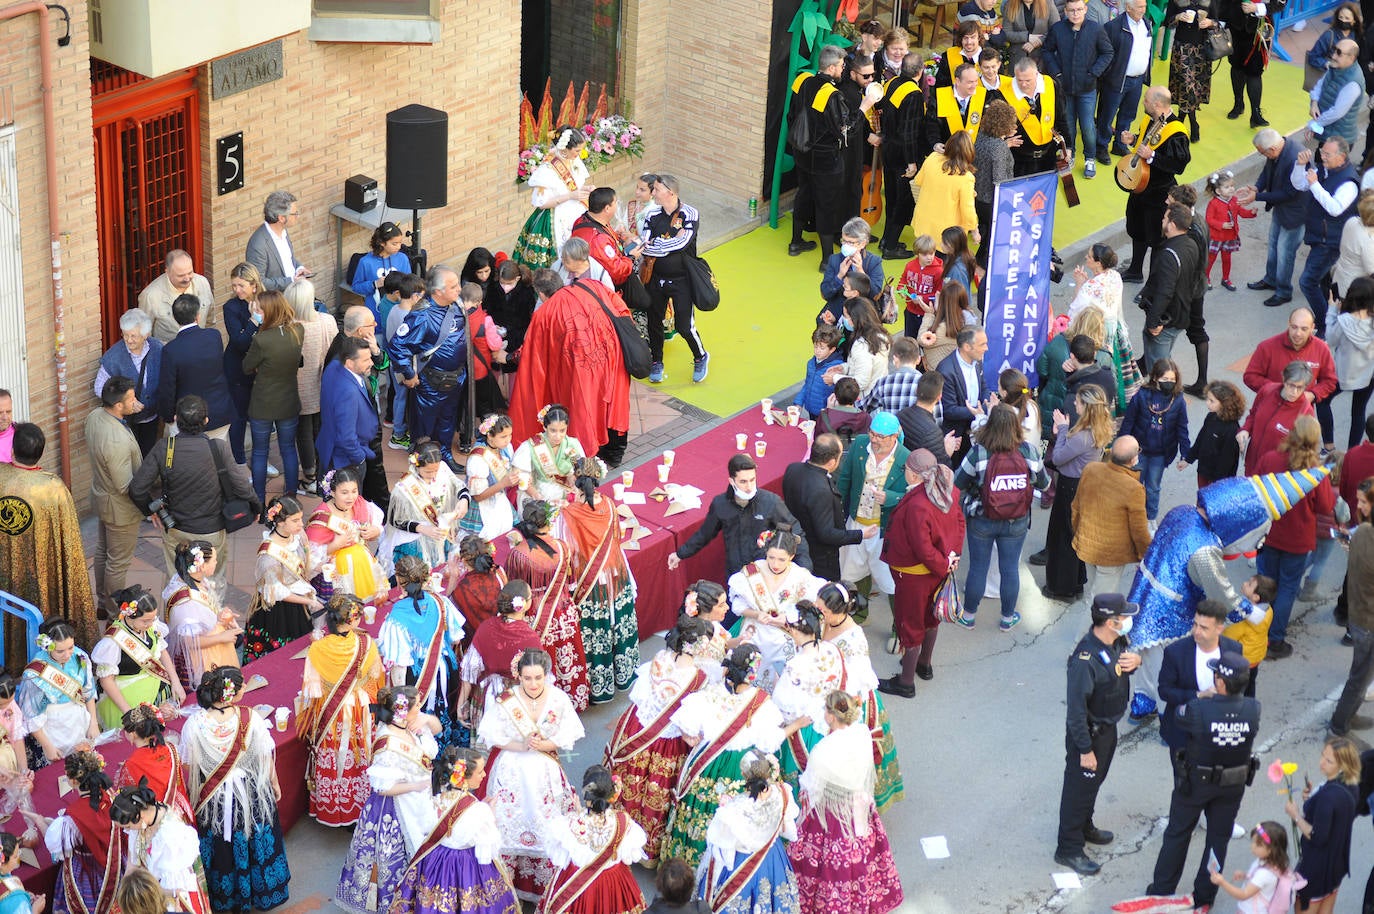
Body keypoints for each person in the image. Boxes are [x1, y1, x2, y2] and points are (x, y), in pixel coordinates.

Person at [1145, 650, 1261, 911]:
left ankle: (1163, 888)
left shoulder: (1198, 709)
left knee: (1178, 832)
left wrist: (1204, 697)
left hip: (1196, 783)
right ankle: (1205, 896)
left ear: (1220, 682)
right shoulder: (1254, 709)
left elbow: (1180, 717)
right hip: (1233, 785)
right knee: (1218, 840)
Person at [661, 644, 786, 870]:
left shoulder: (710, 693)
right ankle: (715, 871)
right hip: (738, 767)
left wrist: (694, 740)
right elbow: (769, 742)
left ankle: (684, 866)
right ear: (753, 673)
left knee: (697, 810)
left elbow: (685, 727)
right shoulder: (761, 704)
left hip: (705, 762)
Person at [603, 617, 713, 869]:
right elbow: (690, 719)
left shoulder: (660, 658)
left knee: (631, 782)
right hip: (668, 742)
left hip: (639, 730)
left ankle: (617, 835)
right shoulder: (698, 678)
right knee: (655, 791)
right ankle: (646, 849)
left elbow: (640, 696)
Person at [179, 667, 289, 914]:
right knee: (252, 839)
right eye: (241, 686)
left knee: (221, 844)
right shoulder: (251, 717)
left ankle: (226, 896)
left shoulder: (194, 723)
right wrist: (274, 783)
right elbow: (264, 756)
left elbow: (187, 763)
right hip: (251, 792)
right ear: (230, 692)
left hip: (213, 794)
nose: (243, 689)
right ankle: (257, 892)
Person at [478, 647, 584, 902]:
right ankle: (506, 887)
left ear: (546, 675)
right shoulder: (507, 699)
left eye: (538, 677)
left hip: (545, 770)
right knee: (508, 821)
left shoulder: (558, 698)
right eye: (527, 678)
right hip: (512, 769)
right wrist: (522, 745)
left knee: (545, 821)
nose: (533, 683)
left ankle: (543, 888)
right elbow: (494, 737)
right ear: (519, 676)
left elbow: (568, 734)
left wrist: (545, 745)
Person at [787, 690, 903, 913]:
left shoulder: (823, 749)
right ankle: (861, 897)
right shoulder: (861, 732)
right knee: (862, 852)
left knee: (826, 864)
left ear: (831, 716)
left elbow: (810, 788)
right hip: (858, 802)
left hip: (830, 812)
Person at [1054, 594, 1140, 876]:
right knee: (1078, 791)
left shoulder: (1115, 641)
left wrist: (1135, 662)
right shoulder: (1084, 660)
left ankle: (1084, 825)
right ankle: (1068, 848)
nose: (1128, 621)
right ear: (1110, 621)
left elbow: (1120, 667)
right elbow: (1076, 712)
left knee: (1093, 784)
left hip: (1107, 729)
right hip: (1089, 736)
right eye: (1124, 617)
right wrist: (1085, 750)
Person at [334, 685, 440, 914]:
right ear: (402, 711)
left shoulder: (409, 724)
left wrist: (426, 720)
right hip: (393, 810)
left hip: (419, 802)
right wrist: (417, 786)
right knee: (391, 862)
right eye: (417, 706)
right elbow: (382, 788)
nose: (420, 709)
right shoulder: (388, 742)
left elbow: (436, 729)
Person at [507, 271, 631, 466]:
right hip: (610, 359)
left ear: (540, 293)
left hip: (579, 374)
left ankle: (588, 455)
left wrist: (507, 357)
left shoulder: (544, 314)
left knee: (585, 410)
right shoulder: (592, 286)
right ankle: (615, 454)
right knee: (613, 404)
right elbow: (621, 309)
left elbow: (532, 351)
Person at [0, 423, 97, 659]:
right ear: (41, 452)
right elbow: (69, 544)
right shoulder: (53, 488)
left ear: (12, 451)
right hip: (40, 575)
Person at [954, 404, 1051, 630]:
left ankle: (968, 616)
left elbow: (958, 483)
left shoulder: (978, 451)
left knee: (978, 567)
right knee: (1009, 568)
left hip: (981, 518)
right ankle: (1008, 618)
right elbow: (1045, 484)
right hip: (1016, 521)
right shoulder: (1028, 451)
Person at [387, 746, 517, 914]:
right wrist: (490, 815)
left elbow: (426, 827)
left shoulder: (433, 798)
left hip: (437, 860)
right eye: (480, 772)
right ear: (464, 777)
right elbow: (488, 849)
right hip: (468, 865)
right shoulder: (478, 809)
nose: (484, 775)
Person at [880, 449, 965, 696]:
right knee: (931, 616)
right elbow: (960, 523)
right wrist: (951, 559)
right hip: (937, 570)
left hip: (913, 574)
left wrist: (940, 563)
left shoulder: (918, 503)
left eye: (905, 469)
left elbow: (921, 547)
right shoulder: (948, 489)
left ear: (914, 474)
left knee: (910, 623)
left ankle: (905, 682)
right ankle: (924, 665)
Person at [559, 457, 639, 704]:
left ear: (576, 480)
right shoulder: (610, 505)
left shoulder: (568, 513)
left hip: (589, 582)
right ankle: (624, 675)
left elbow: (566, 550)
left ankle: (598, 687)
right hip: (616, 575)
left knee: (596, 633)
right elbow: (616, 537)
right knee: (619, 624)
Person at [1252, 416, 1333, 657]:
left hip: (1269, 534)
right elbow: (1325, 506)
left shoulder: (1270, 459)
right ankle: (1274, 640)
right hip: (1297, 540)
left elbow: (1254, 487)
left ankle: (1257, 631)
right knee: (1287, 588)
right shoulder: (1315, 473)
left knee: (1266, 584)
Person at [299, 594, 381, 827]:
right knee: (360, 754)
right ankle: (361, 805)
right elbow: (375, 676)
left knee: (337, 756)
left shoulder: (318, 649)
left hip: (332, 713)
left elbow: (312, 691)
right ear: (353, 620)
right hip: (360, 709)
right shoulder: (367, 643)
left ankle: (336, 808)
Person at [505, 500, 591, 710]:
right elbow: (570, 582)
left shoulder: (518, 554)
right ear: (548, 522)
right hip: (562, 611)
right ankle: (572, 700)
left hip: (535, 612)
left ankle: (541, 707)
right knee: (567, 657)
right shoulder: (563, 546)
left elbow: (513, 588)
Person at [669, 454, 811, 580]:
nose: (749, 486)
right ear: (732, 481)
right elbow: (704, 534)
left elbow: (795, 532)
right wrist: (680, 554)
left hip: (766, 572)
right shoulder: (720, 504)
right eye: (743, 482)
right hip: (737, 573)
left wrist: (804, 569)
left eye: (752, 480)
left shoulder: (771, 502)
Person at [696, 750, 801, 914]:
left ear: (744, 775)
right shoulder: (783, 793)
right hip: (772, 855)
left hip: (741, 860)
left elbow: (724, 851)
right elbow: (789, 832)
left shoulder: (737, 807)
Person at [378, 555, 466, 749]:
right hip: (443, 669)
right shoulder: (440, 602)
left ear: (400, 582)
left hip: (416, 678)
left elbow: (398, 662)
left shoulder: (397, 615)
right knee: (442, 714)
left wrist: (399, 697)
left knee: (418, 723)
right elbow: (457, 638)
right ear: (426, 578)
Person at [387, 265, 468, 468]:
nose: (459, 289)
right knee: (425, 427)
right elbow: (397, 345)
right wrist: (408, 372)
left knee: (448, 420)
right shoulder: (422, 315)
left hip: (455, 378)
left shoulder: (456, 305)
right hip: (431, 382)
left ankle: (445, 456)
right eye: (453, 286)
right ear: (438, 291)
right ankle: (423, 463)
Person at [727, 529, 826, 692]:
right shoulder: (753, 571)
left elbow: (812, 609)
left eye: (782, 559)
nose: (775, 564)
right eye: (771, 557)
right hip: (754, 633)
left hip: (784, 638)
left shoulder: (800, 577)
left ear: (792, 557)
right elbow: (738, 605)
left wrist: (787, 618)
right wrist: (756, 614)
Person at [540, 765, 646, 914]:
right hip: (612, 883)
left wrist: (578, 814)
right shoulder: (624, 822)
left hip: (578, 889)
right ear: (611, 795)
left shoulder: (568, 826)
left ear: (586, 795)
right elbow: (631, 857)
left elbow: (559, 858)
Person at [84, 378, 148, 620]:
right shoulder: (117, 440)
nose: (135, 402)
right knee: (118, 563)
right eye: (131, 399)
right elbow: (125, 485)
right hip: (119, 509)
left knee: (103, 550)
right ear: (118, 405)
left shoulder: (95, 416)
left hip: (101, 496)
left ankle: (102, 602)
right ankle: (114, 614)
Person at [1043, 386, 1115, 600]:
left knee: (1063, 538)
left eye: (1078, 402)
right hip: (1084, 485)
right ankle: (1075, 583)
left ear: (1087, 407)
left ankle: (1061, 588)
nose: (1074, 404)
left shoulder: (1082, 436)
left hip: (1069, 488)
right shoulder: (1098, 429)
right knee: (1074, 535)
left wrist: (1063, 429)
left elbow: (1057, 459)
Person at [787, 46, 854, 264]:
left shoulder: (802, 80)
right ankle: (827, 259)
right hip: (825, 160)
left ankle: (796, 241)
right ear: (832, 67)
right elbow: (845, 131)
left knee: (804, 193)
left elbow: (791, 115)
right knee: (826, 205)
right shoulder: (832, 95)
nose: (843, 70)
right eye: (842, 66)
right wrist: (864, 107)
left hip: (802, 152)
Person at [640, 175, 710, 383]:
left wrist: (658, 244)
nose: (653, 193)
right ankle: (657, 361)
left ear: (671, 192)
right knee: (654, 321)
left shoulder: (690, 214)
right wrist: (663, 244)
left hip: (682, 280)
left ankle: (700, 356)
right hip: (656, 278)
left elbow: (682, 244)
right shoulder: (651, 214)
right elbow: (645, 243)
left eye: (657, 190)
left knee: (684, 325)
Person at [834, 412, 909, 601]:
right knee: (852, 572)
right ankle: (860, 614)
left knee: (890, 580)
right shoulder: (860, 444)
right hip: (856, 523)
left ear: (894, 436)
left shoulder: (906, 459)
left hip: (884, 531)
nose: (874, 440)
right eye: (872, 434)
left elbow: (913, 496)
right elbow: (845, 479)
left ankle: (897, 627)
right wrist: (838, 511)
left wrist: (890, 497)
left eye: (880, 437)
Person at [1118, 87, 1191, 283]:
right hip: (1139, 187)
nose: (1143, 102)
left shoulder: (1176, 132)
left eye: (1146, 100)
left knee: (1157, 240)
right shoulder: (1150, 120)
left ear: (1157, 105)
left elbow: (1179, 164)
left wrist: (1153, 157)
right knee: (1137, 231)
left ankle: (1153, 284)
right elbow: (1146, 142)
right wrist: (1133, 139)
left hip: (1159, 193)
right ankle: (1135, 270)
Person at [38, 750, 121, 914]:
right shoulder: (109, 796)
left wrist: (40, 822)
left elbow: (57, 852)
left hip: (86, 871)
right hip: (114, 863)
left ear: (74, 781)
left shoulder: (71, 820)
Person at [109, 783, 210, 914]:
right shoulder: (142, 822)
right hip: (151, 891)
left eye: (127, 827)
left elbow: (175, 889)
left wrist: (141, 895)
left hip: (174, 900)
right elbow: (132, 865)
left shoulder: (170, 836)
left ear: (140, 817)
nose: (127, 831)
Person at [1295, 137, 1361, 337]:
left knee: (1307, 281)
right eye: (1321, 152)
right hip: (1320, 237)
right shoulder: (1326, 170)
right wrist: (1300, 166)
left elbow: (1335, 209)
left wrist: (1315, 184)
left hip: (1330, 241)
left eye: (1326, 154)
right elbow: (1300, 185)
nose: (1321, 157)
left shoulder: (1349, 183)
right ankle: (1332, 316)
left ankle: (1326, 324)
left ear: (1341, 156)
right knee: (1323, 281)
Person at [457, 580, 543, 733]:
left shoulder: (485, 627)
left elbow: (469, 671)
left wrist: (461, 706)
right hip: (519, 699)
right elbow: (540, 678)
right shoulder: (530, 637)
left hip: (488, 696)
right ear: (524, 604)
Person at [1287, 737, 1361, 914]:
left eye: (1329, 761)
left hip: (1316, 869)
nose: (1321, 763)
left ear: (1342, 765)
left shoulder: (1328, 797)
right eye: (1323, 756)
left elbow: (1317, 836)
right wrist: (1312, 799)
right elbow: (1333, 817)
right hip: (1336, 866)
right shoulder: (1351, 785)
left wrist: (1295, 815)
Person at [91, 587, 182, 730]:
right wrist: (130, 713)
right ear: (128, 615)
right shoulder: (113, 642)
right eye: (145, 621)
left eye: (152, 619)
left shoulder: (150, 626)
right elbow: (106, 681)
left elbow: (162, 651)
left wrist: (176, 682)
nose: (150, 624)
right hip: (127, 699)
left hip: (154, 692)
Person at [1041, 0, 1113, 177]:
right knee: (1068, 124)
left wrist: (1094, 73)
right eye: (1071, 10)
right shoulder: (1058, 29)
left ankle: (1089, 157)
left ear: (1085, 10)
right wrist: (1056, 73)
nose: (1075, 13)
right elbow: (1047, 51)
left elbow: (1107, 52)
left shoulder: (1095, 29)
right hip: (1065, 87)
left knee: (1088, 125)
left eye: (1079, 10)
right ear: (1065, 11)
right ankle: (1069, 153)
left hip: (1087, 88)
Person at [243, 495, 320, 661]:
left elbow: (304, 563)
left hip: (298, 600)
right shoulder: (268, 557)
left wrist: (319, 567)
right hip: (278, 610)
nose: (301, 524)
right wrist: (310, 602)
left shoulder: (297, 535)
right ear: (279, 522)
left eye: (301, 518)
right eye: (295, 520)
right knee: (277, 655)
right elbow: (278, 593)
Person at [1072, 436, 1151, 597]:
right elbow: (1139, 529)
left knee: (1093, 595)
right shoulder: (1134, 488)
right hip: (1110, 554)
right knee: (1102, 603)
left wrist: (1079, 533)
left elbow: (1075, 507)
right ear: (1134, 459)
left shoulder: (1091, 469)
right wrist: (1146, 556)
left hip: (1086, 544)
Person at [378, 439, 471, 574]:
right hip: (414, 538)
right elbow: (394, 520)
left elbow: (458, 485)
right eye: (428, 472)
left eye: (435, 470)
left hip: (439, 532)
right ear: (417, 466)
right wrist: (422, 529)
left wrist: (464, 500)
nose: (433, 475)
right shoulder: (405, 487)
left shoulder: (442, 469)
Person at [782, 434, 865, 582]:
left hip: (797, 545)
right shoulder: (821, 490)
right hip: (820, 558)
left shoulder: (792, 469)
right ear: (833, 461)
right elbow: (826, 534)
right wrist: (860, 534)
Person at [1329, 477, 1374, 738]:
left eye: (1362, 501)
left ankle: (1350, 715)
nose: (1358, 506)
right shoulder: (1367, 534)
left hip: (1359, 614)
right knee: (1360, 677)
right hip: (1367, 619)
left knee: (1361, 673)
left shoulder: (1363, 532)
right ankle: (1338, 727)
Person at [1120, 359, 1190, 523]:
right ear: (1155, 378)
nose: (1169, 383)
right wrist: (1122, 446)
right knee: (1133, 486)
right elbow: (1129, 421)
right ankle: (1130, 517)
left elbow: (1182, 428)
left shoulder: (1178, 400)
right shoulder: (1142, 395)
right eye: (1165, 380)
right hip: (1139, 451)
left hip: (1160, 454)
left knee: (1152, 489)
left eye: (1172, 380)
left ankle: (1150, 519)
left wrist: (1185, 454)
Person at [1243, 130, 1307, 308]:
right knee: (1273, 245)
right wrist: (1257, 188)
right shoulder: (1276, 151)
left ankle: (1284, 291)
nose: (1262, 155)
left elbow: (1289, 193)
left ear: (1272, 148)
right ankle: (1271, 280)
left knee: (1285, 252)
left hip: (1295, 213)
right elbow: (1267, 171)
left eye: (1262, 153)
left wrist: (1256, 198)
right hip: (1282, 209)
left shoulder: (1294, 158)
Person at [163, 542, 239, 691]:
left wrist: (219, 616)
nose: (217, 562)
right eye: (214, 560)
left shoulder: (188, 579)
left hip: (207, 645)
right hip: (200, 659)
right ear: (202, 565)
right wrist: (222, 637)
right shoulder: (187, 603)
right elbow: (189, 643)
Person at [513, 126, 592, 269]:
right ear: (565, 148)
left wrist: (585, 190)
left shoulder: (575, 161)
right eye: (577, 151)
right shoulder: (547, 170)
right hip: (555, 217)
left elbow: (575, 186)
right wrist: (570, 196)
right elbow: (541, 203)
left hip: (577, 214)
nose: (579, 154)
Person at [305, 466, 385, 600]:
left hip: (362, 568)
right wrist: (335, 545)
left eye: (354, 491)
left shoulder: (360, 504)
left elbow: (376, 524)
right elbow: (309, 556)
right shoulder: (321, 517)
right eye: (344, 492)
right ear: (332, 492)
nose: (351, 497)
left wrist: (375, 530)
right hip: (336, 575)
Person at [287, 279, 337, 495]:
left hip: (297, 388)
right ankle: (323, 475)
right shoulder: (327, 320)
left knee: (303, 433)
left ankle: (309, 476)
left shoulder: (289, 328)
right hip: (325, 385)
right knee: (321, 431)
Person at [877, 52, 928, 260]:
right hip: (903, 155)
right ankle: (890, 246)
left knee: (891, 196)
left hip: (888, 148)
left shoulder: (892, 83)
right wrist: (911, 162)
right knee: (903, 201)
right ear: (920, 71)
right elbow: (909, 132)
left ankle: (886, 238)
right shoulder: (914, 94)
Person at [93, 310, 163, 456]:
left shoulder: (158, 348)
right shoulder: (113, 357)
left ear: (145, 335)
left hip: (152, 417)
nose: (128, 340)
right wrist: (125, 401)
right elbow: (99, 387)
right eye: (125, 335)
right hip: (125, 422)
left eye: (133, 336)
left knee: (148, 455)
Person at [1238, 362, 1319, 475]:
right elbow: (1253, 414)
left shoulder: (1306, 413)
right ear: (1284, 379)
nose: (1294, 392)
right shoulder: (1267, 391)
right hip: (1252, 465)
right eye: (1291, 385)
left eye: (1300, 387)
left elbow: (1304, 452)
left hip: (1275, 475)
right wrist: (1245, 430)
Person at [113, 706, 189, 825]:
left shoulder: (131, 764)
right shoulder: (170, 748)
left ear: (133, 734)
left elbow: (128, 798)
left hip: (155, 818)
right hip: (179, 812)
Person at [1097, 0, 1152, 164]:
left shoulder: (1146, 24)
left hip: (1137, 80)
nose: (1143, 10)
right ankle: (1101, 146)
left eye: (1144, 7)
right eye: (1140, 7)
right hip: (1117, 80)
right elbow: (1104, 54)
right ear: (1128, 8)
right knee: (1107, 115)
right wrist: (1110, 75)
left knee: (1128, 115)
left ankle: (1120, 144)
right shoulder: (1113, 27)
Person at [221, 262, 262, 464]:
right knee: (238, 417)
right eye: (234, 285)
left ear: (254, 285)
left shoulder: (266, 301)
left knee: (258, 417)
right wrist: (254, 321)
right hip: (237, 369)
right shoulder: (231, 307)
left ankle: (260, 457)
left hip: (260, 370)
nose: (237, 290)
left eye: (241, 285)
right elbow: (238, 342)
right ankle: (239, 461)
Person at [1208, 822, 1297, 914]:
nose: (1252, 846)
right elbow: (1261, 882)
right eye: (1253, 841)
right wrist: (1245, 875)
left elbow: (1244, 894)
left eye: (1258, 844)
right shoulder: (1271, 864)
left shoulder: (1264, 874)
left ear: (1271, 850)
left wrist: (1222, 882)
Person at [1328, 281, 1374, 451]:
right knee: (1358, 412)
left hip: (1343, 374)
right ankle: (1352, 451)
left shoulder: (1344, 321)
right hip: (1368, 375)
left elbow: (1331, 339)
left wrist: (1332, 310)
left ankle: (1328, 444)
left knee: (1323, 401)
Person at [911, 130, 979, 241]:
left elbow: (918, 181)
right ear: (969, 151)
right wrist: (975, 231)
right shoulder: (966, 178)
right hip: (947, 234)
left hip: (923, 224)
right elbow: (968, 210)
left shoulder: (932, 158)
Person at [1006, 58, 1066, 176]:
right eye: (1019, 80)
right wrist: (1004, 143)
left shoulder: (1051, 85)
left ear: (1037, 74)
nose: (1023, 84)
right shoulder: (1003, 92)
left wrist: (1067, 146)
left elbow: (1061, 117)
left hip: (1048, 156)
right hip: (1019, 160)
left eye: (1028, 80)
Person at [819, 219, 885, 327]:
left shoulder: (873, 262)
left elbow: (875, 294)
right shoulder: (835, 260)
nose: (845, 245)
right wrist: (839, 275)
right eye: (844, 241)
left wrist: (861, 271)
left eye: (850, 242)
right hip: (839, 304)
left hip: (863, 308)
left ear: (862, 243)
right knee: (821, 322)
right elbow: (825, 292)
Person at [139, 249, 214, 342]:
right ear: (167, 271)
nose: (187, 279)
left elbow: (210, 321)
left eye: (190, 272)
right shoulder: (150, 296)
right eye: (181, 275)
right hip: (169, 354)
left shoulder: (202, 283)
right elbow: (144, 336)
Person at [1180, 380, 1246, 486]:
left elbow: (1227, 461)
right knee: (1202, 498)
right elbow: (1200, 440)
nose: (1207, 403)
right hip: (1203, 471)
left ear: (1225, 404)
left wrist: (1217, 483)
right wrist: (1188, 459)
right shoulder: (1211, 417)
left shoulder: (1232, 430)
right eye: (1208, 399)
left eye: (1212, 401)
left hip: (1218, 480)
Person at [972, 101, 1017, 252]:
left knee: (985, 232)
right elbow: (999, 180)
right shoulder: (999, 147)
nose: (1015, 127)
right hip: (993, 201)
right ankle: (983, 266)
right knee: (992, 241)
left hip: (977, 196)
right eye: (1012, 123)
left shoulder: (980, 137)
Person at [824, 298, 891, 398]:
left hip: (865, 399)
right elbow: (865, 365)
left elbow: (861, 382)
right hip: (878, 394)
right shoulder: (879, 336)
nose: (844, 320)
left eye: (846, 316)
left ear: (854, 319)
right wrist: (844, 368)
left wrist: (834, 378)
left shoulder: (861, 346)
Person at [245, 190, 308, 292]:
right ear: (282, 218)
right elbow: (259, 282)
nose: (298, 216)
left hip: (292, 292)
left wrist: (299, 268)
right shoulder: (258, 245)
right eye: (295, 213)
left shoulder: (283, 231)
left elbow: (287, 259)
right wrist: (291, 280)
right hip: (277, 302)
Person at [1203, 170, 1257, 290]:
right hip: (1216, 237)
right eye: (1227, 187)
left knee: (1227, 259)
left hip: (1229, 236)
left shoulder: (1234, 200)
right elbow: (1209, 219)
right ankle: (1206, 278)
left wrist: (1251, 213)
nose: (1231, 189)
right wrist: (1222, 225)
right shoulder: (1214, 203)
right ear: (1218, 191)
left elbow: (1241, 212)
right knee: (1211, 259)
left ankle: (1226, 279)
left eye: (1232, 186)